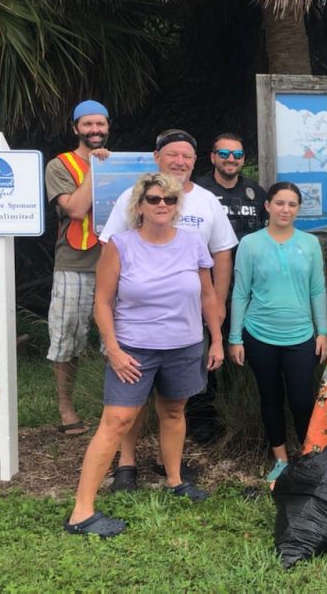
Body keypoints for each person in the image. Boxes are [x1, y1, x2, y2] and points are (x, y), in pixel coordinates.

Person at [64, 173, 223, 538]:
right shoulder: (120, 245)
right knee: (117, 421)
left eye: (168, 199)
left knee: (173, 410)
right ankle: (81, 512)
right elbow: (102, 302)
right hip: (134, 348)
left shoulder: (192, 242)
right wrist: (114, 349)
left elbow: (208, 296)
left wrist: (215, 339)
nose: (162, 205)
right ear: (139, 206)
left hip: (184, 345)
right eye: (154, 199)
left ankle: (174, 480)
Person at [99, 129, 237, 490]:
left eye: (187, 155)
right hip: (137, 321)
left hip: (186, 320)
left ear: (196, 161)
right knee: (132, 402)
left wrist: (218, 306)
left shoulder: (207, 201)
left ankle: (168, 466)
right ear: (157, 157)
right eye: (173, 154)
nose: (180, 161)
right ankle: (127, 464)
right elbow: (111, 253)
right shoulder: (133, 197)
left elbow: (221, 253)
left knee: (173, 403)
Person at [228, 182, 327, 481]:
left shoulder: (310, 244)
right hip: (259, 335)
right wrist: (235, 337)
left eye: (292, 204)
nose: (286, 209)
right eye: (280, 203)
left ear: (299, 209)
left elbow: (317, 290)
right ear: (268, 206)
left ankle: (310, 457)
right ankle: (281, 460)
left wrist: (322, 330)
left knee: (301, 399)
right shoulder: (250, 244)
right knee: (270, 398)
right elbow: (240, 292)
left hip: (301, 336)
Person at [191, 132, 266, 442]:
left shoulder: (256, 193)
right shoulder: (198, 191)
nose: (231, 160)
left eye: (237, 155)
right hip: (203, 287)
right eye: (224, 153)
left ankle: (240, 412)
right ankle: (201, 419)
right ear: (212, 157)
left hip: (247, 290)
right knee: (203, 353)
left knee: (241, 353)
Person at [45, 100, 112, 435]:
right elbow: (74, 209)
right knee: (67, 337)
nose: (95, 130)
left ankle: (113, 409)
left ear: (108, 127)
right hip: (74, 262)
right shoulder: (60, 165)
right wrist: (97, 172)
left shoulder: (121, 163)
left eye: (100, 124)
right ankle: (66, 409)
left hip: (116, 265)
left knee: (116, 340)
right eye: (88, 125)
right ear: (76, 128)